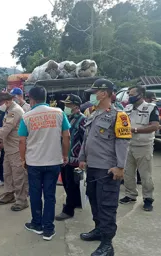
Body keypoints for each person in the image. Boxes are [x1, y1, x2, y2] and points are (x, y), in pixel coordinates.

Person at [78, 79, 131, 256]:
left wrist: (120, 167)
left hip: (107, 169)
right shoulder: (93, 113)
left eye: (95, 92)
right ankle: (99, 230)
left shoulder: (119, 116)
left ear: (104, 93)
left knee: (107, 206)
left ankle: (107, 244)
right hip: (92, 167)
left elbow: (123, 143)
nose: (91, 95)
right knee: (94, 201)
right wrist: (83, 157)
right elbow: (87, 138)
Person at [18, 86, 71, 241]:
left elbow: (22, 141)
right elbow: (66, 136)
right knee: (50, 195)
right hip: (54, 160)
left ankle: (37, 224)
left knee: (35, 194)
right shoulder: (59, 113)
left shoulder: (27, 117)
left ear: (31, 99)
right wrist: (65, 155)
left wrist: (23, 159)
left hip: (34, 162)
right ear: (46, 97)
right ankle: (48, 229)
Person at [0, 92, 28, 211]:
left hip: (16, 149)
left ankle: (22, 200)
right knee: (7, 174)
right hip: (9, 148)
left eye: (0, 103)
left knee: (18, 176)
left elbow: (7, 128)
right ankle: (10, 194)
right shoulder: (9, 110)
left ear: (7, 101)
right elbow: (5, 127)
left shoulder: (15, 111)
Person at [120, 86, 159, 211]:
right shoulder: (127, 108)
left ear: (140, 94)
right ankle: (130, 194)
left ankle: (148, 198)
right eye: (128, 94)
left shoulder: (151, 108)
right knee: (128, 173)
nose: (129, 96)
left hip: (143, 146)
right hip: (128, 145)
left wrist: (135, 130)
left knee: (145, 175)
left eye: (131, 94)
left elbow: (155, 126)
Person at [55, 94, 86, 221]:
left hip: (74, 158)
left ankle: (69, 210)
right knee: (69, 183)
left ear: (76, 106)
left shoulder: (82, 119)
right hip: (65, 157)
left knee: (70, 184)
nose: (65, 107)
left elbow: (86, 139)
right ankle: (76, 202)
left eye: (68, 105)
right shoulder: (67, 117)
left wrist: (83, 157)